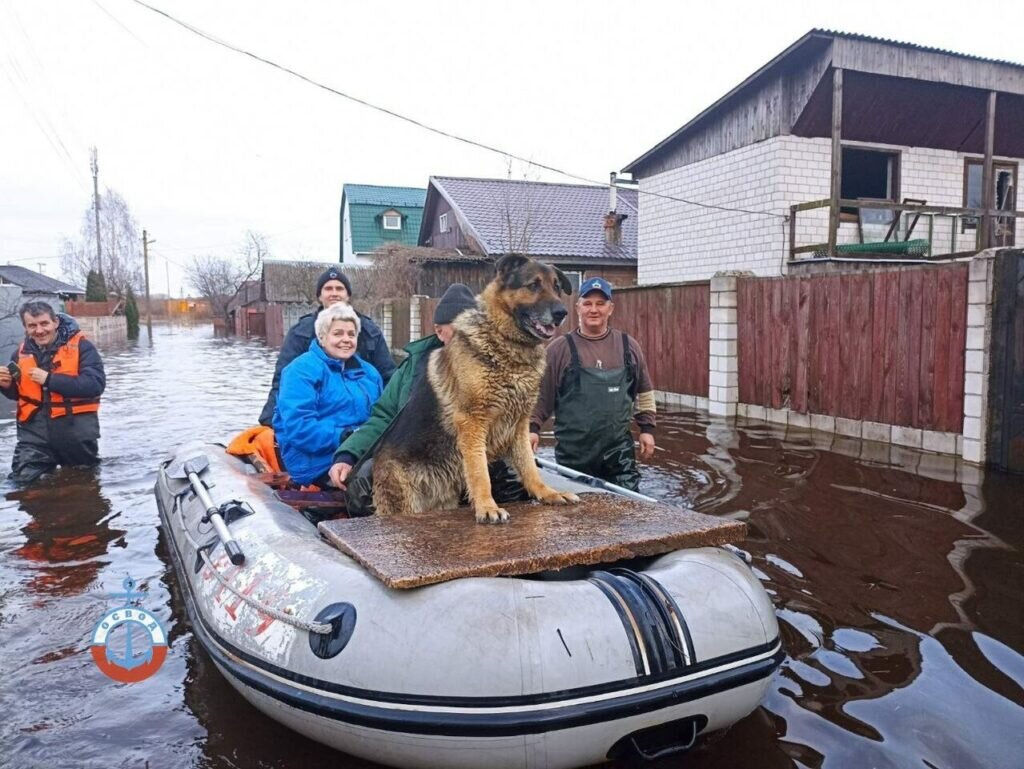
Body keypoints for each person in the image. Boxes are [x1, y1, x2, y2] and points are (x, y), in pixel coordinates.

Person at [327, 282, 477, 489]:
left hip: (474, 457)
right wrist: (348, 454)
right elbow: (384, 418)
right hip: (417, 456)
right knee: (362, 482)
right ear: (439, 331)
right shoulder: (413, 367)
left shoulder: (495, 366)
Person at [529, 277, 656, 491]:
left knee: (628, 511)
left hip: (619, 455)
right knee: (577, 516)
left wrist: (647, 429)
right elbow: (540, 396)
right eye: (587, 303)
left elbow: (644, 390)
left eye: (600, 303)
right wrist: (532, 429)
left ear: (610, 308)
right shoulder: (559, 349)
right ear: (578, 308)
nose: (593, 310)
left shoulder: (628, 346)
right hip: (574, 456)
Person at [258, 267, 394, 425]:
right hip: (321, 415)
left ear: (348, 295)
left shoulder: (370, 332)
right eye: (328, 288)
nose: (334, 293)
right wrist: (268, 422)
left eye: (339, 289)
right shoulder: (300, 333)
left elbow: (389, 377)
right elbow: (282, 380)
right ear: (320, 296)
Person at [273, 303, 383, 487]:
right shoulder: (300, 370)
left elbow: (381, 415)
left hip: (359, 450)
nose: (346, 339)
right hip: (316, 459)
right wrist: (344, 437)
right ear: (322, 338)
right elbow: (299, 427)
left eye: (351, 334)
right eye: (338, 333)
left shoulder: (369, 373)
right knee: (371, 478)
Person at [0, 301, 106, 484]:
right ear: (25, 327)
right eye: (32, 326)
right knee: (22, 484)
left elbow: (95, 385)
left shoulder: (83, 347)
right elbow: (20, 394)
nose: (39, 330)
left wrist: (50, 380)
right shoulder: (19, 354)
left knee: (84, 486)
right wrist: (6, 385)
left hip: (75, 435)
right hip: (34, 436)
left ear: (55, 322)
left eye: (44, 323)